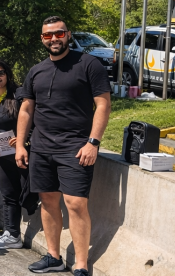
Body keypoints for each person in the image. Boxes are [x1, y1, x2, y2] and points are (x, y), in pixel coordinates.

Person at [15, 16, 111, 276]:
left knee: (76, 203)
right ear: (42, 39)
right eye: (48, 35)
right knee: (47, 201)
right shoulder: (36, 71)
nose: (54, 39)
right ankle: (53, 256)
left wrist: (93, 142)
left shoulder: (89, 64)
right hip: (41, 147)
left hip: (75, 147)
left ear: (68, 34)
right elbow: (26, 109)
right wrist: (21, 145)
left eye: (59, 34)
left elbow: (102, 104)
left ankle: (80, 264)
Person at [0, 59, 39, 249]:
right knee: (8, 195)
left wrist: (24, 139)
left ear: (7, 73)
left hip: (22, 153)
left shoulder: (18, 94)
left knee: (26, 193)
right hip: (1, 156)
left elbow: (32, 117)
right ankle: (11, 234)